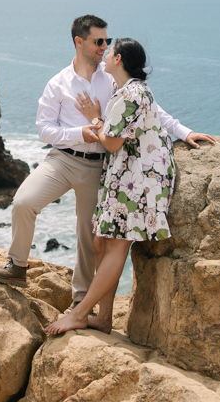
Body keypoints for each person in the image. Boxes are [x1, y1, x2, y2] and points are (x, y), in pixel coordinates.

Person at [0, 15, 215, 304]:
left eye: (107, 41)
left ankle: (80, 300)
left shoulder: (113, 78)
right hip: (62, 160)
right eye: (98, 41)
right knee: (23, 202)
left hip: (101, 167)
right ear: (79, 42)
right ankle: (17, 265)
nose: (104, 46)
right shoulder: (58, 83)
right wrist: (80, 132)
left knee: (88, 238)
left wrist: (186, 131)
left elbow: (152, 110)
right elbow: (45, 130)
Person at [45, 37, 177, 335]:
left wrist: (95, 117)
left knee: (115, 245)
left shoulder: (132, 94)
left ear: (119, 59)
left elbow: (111, 142)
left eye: (110, 51)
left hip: (137, 182)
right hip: (123, 176)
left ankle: (79, 314)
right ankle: (104, 318)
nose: (104, 54)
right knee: (101, 242)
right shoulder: (125, 90)